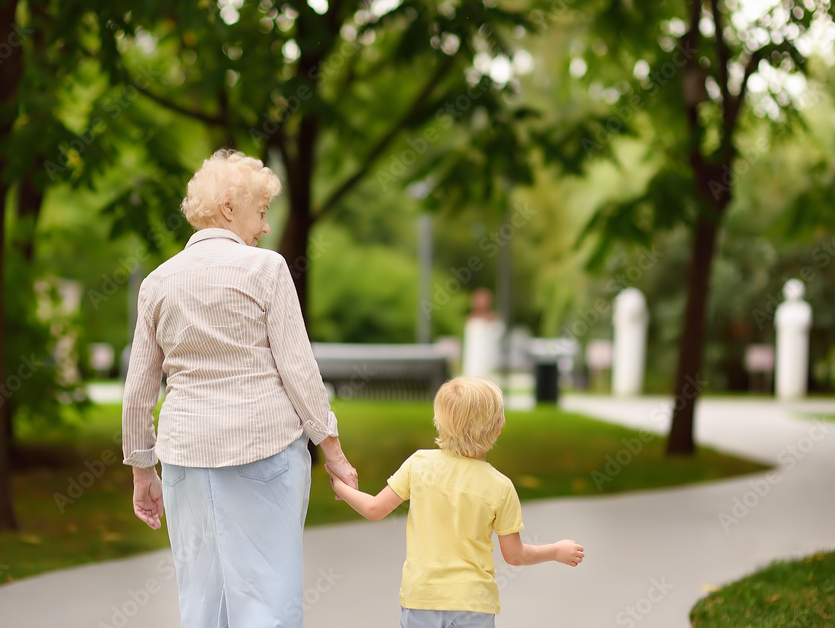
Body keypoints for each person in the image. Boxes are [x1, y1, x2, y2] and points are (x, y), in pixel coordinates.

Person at [122, 149, 358, 628]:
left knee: (202, 604)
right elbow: (300, 371)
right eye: (262, 212)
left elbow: (137, 393)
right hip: (263, 449)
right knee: (268, 602)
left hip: (186, 459)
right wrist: (333, 451)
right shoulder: (265, 270)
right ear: (230, 206)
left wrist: (142, 471)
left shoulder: (157, 283)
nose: (266, 227)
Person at [326, 376, 584, 628]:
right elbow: (515, 556)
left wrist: (340, 486)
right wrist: (556, 551)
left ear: (440, 422)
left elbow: (374, 509)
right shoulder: (501, 487)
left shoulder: (419, 464)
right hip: (473, 603)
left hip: (422, 598)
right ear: (497, 428)